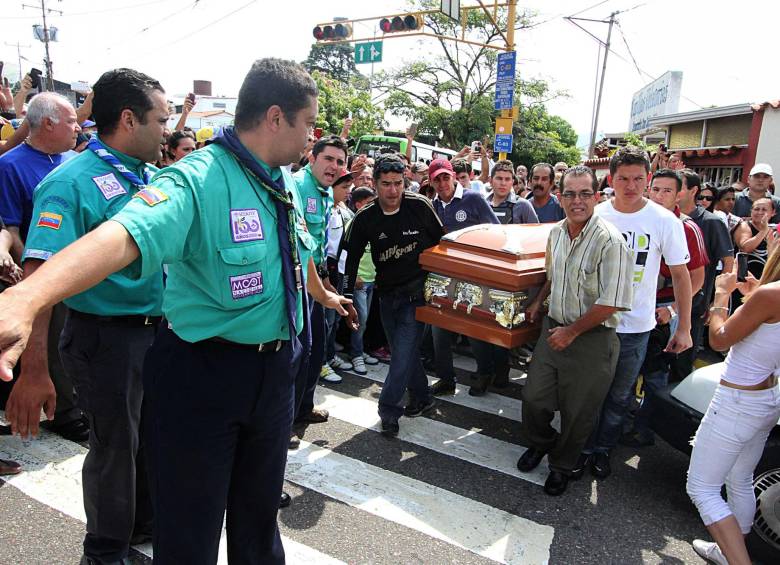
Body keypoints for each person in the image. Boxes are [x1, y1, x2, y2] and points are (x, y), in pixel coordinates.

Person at [0, 58, 352, 564]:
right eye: (307, 123)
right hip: (204, 375)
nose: (312, 136)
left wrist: (323, 299)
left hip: (274, 370)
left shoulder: (282, 182)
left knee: (257, 524)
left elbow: (296, 259)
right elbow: (122, 235)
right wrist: (27, 298)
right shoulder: (196, 180)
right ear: (276, 118)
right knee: (190, 529)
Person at [2, 68, 169, 564]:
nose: (166, 129)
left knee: (148, 442)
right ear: (127, 119)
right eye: (160, 120)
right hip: (104, 339)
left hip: (155, 334)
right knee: (115, 450)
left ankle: (142, 525)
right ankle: (104, 551)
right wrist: (34, 371)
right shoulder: (69, 182)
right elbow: (39, 280)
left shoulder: (152, 177)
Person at [516, 165, 633, 496]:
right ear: (560, 196)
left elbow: (613, 302)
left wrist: (572, 332)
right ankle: (543, 443)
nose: (577, 201)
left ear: (596, 197)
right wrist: (539, 302)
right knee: (534, 398)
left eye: (584, 193)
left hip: (592, 340)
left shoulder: (611, 241)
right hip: (553, 330)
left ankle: (562, 465)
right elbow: (554, 277)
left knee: (578, 412)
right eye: (570, 193)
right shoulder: (555, 233)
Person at [581, 146, 693, 479]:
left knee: (619, 395)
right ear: (610, 180)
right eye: (623, 179)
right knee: (587, 393)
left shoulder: (663, 220)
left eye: (638, 179)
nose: (631, 186)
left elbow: (682, 275)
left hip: (636, 328)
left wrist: (683, 326)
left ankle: (602, 450)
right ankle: (581, 448)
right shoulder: (595, 213)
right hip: (593, 324)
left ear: (647, 179)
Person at [686, 249, 780, 565]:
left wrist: (721, 296)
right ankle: (730, 551)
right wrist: (754, 298)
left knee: (702, 488)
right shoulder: (767, 296)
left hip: (738, 401)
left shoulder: (771, 294)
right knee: (740, 476)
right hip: (767, 398)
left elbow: (719, 340)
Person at [341, 154, 443, 436]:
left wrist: (440, 288)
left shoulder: (419, 206)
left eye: (398, 183)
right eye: (386, 184)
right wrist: (346, 297)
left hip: (417, 295)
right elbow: (349, 260)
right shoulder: (365, 218)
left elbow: (442, 244)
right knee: (403, 353)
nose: (393, 190)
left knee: (400, 357)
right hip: (386, 296)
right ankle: (423, 397)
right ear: (374, 184)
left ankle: (388, 411)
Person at [620, 169, 708, 447]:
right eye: (655, 189)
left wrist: (672, 311)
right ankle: (621, 423)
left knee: (656, 373)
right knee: (627, 372)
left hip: (663, 308)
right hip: (632, 307)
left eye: (667, 191)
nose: (659, 196)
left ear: (680, 193)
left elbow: (696, 279)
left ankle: (645, 428)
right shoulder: (638, 219)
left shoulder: (685, 227)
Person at [292, 134, 357, 437]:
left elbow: (317, 247)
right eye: (328, 158)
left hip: (316, 280)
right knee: (298, 353)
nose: (334, 166)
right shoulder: (295, 186)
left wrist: (327, 286)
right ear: (312, 157)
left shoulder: (327, 192)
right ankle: (289, 420)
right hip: (295, 284)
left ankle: (304, 407)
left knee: (316, 349)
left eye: (340, 161)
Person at [428, 158, 505, 396]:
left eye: (445, 177)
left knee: (473, 327)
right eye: (437, 179)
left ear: (453, 176)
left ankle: (484, 373)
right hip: (444, 275)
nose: (442, 183)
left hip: (473, 276)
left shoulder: (473, 199)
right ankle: (446, 379)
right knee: (438, 327)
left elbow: (495, 232)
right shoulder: (433, 205)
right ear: (431, 182)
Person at [341, 186, 379, 375]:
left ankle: (360, 350)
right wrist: (353, 275)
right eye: (369, 202)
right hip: (359, 282)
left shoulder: (376, 223)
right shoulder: (352, 224)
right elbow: (345, 255)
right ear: (358, 204)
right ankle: (355, 354)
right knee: (359, 319)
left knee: (365, 320)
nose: (374, 206)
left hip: (372, 280)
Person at [322, 169, 355, 381]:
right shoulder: (323, 210)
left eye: (349, 188)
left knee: (334, 319)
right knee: (325, 320)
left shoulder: (342, 211)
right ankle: (321, 363)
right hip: (326, 270)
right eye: (343, 188)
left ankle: (329, 355)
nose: (348, 192)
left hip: (340, 269)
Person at [734, 197, 776, 282]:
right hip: (745, 278)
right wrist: (764, 230)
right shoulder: (744, 226)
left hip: (766, 278)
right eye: (756, 209)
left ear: (773, 213)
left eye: (764, 209)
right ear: (751, 211)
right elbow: (745, 248)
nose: (760, 212)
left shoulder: (775, 230)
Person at [486, 159, 539, 224]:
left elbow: (534, 232)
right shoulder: (482, 204)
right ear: (490, 181)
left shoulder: (523, 205)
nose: (503, 183)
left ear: (512, 182)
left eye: (507, 179)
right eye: (499, 178)